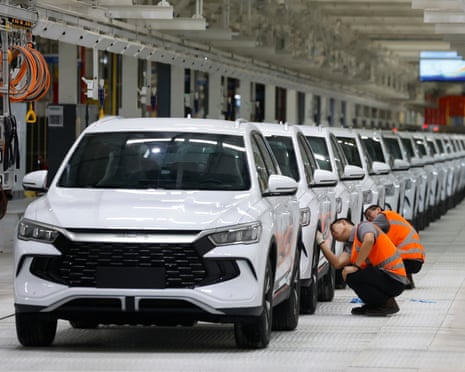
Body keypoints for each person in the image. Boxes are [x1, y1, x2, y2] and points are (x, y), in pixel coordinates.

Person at [316, 218, 408, 316]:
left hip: (394, 278)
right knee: (349, 275)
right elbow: (337, 263)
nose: (332, 234)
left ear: (343, 223)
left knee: (355, 273)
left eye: (333, 229)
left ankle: (387, 304)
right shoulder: (351, 245)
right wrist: (321, 242)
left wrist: (356, 266)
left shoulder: (363, 226)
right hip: (384, 277)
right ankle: (374, 304)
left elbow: (369, 240)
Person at [364, 204, 425, 289]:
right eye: (367, 218)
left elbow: (366, 231)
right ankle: (406, 279)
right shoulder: (393, 217)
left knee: (376, 257)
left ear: (378, 210)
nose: (369, 219)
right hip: (416, 260)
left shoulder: (382, 216)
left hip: (407, 260)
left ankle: (394, 281)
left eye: (369, 215)